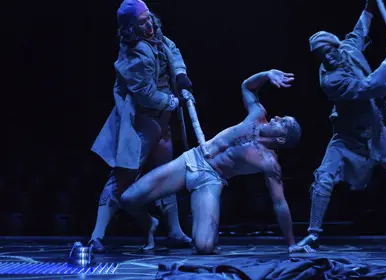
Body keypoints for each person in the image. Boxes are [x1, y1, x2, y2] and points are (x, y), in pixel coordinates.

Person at [120, 69, 314, 254]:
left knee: (204, 247)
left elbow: (279, 203)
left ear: (281, 139)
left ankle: (203, 230)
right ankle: (150, 223)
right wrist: (267, 75)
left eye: (283, 123)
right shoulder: (258, 115)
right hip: (193, 159)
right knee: (128, 199)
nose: (278, 117)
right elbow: (247, 86)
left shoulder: (269, 163)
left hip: (211, 179)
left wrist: (291, 243)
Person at [298, 0, 386, 248]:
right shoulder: (330, 80)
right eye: (320, 55)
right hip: (347, 135)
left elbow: (360, 28)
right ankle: (313, 233)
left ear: (335, 45)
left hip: (375, 129)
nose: (327, 56)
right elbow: (368, 87)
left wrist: (370, 6)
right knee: (324, 178)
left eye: (328, 50)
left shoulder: (348, 48)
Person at [88, 0, 192, 252]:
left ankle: (175, 231)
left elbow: (172, 49)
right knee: (123, 175)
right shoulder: (133, 52)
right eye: (142, 21)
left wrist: (180, 75)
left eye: (149, 17)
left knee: (166, 173)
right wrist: (172, 100)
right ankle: (97, 235)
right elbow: (145, 93)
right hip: (142, 121)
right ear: (131, 26)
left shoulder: (156, 36)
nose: (149, 23)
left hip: (163, 120)